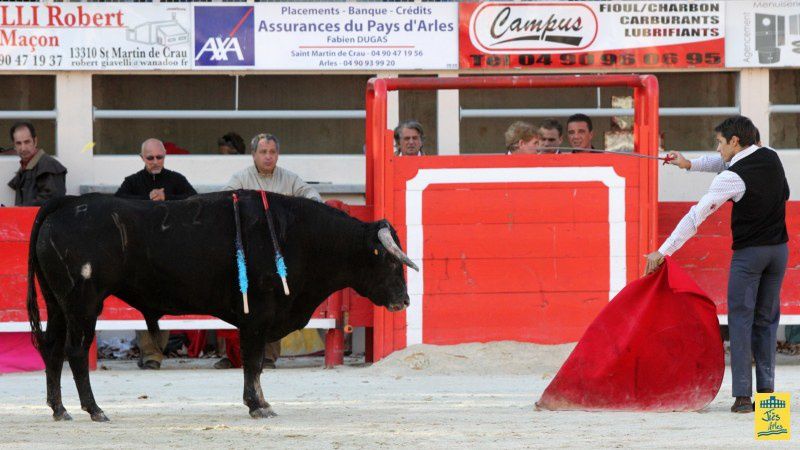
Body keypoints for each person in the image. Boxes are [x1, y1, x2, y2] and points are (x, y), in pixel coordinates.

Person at [645, 116, 788, 414]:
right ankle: (767, 393)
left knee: (740, 321)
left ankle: (742, 397)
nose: (718, 148)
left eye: (721, 142)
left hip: (750, 256)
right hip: (779, 252)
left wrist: (663, 251)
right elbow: (727, 164)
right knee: (765, 322)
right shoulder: (771, 157)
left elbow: (696, 216)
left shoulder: (732, 177)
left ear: (735, 141)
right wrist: (687, 164)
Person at [215, 133, 321, 370]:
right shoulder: (241, 177)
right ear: (254, 155)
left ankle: (269, 356)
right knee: (236, 300)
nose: (268, 156)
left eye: (272, 152)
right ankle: (231, 355)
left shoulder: (289, 178)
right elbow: (222, 202)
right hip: (246, 252)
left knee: (272, 303)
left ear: (277, 154)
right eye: (263, 152)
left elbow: (312, 196)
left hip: (276, 253)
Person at [115, 138, 198, 370]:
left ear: (165, 156)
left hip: (171, 250)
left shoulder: (176, 180)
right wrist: (147, 200)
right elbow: (117, 201)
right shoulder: (132, 182)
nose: (155, 162)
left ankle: (156, 352)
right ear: (142, 158)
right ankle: (151, 354)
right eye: (150, 158)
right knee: (144, 301)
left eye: (159, 157)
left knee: (163, 300)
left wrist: (167, 198)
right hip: (141, 252)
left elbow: (194, 200)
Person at [6, 122, 67, 206]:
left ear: (35, 141)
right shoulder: (26, 166)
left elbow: (53, 203)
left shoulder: (49, 165)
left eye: (27, 142)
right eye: (18, 143)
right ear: (14, 145)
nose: (23, 148)